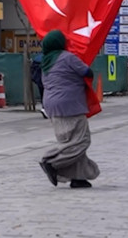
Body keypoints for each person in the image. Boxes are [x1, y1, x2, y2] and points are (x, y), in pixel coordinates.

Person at [37, 30, 99, 188]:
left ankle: (78, 178)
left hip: (51, 105)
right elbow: (87, 71)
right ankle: (51, 161)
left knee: (68, 141)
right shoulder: (67, 57)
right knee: (81, 141)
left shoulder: (45, 61)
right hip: (70, 104)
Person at [30, 52, 48, 119]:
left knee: (42, 93)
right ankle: (46, 109)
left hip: (39, 78)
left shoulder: (38, 57)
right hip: (47, 79)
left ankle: (44, 108)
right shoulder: (52, 57)